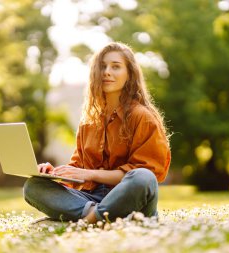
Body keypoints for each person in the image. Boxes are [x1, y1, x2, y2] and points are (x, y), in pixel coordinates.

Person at [23, 42, 171, 224]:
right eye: (102, 67)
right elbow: (78, 170)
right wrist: (52, 174)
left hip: (131, 199)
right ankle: (102, 217)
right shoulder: (89, 122)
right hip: (90, 199)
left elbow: (147, 175)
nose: (107, 72)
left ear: (129, 74)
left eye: (115, 67)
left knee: (143, 177)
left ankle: (90, 219)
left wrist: (90, 174)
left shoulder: (142, 117)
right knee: (33, 186)